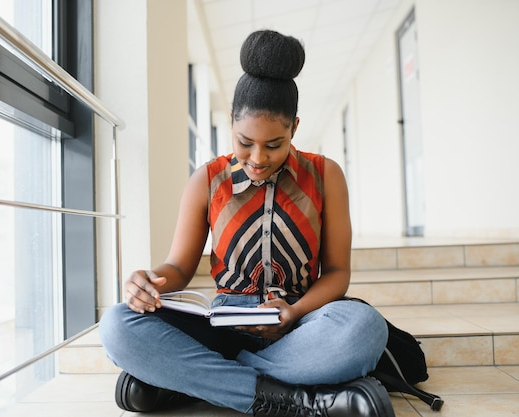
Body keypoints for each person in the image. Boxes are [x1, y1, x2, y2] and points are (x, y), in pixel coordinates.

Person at [99, 29, 394, 417]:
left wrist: (294, 312)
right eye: (244, 142)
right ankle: (294, 400)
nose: (257, 158)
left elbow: (337, 272)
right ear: (233, 123)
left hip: (298, 325)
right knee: (118, 325)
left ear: (294, 128)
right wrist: (147, 283)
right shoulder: (207, 180)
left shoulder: (326, 176)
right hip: (222, 328)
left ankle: (195, 381)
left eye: (274, 144)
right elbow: (179, 268)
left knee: (364, 327)